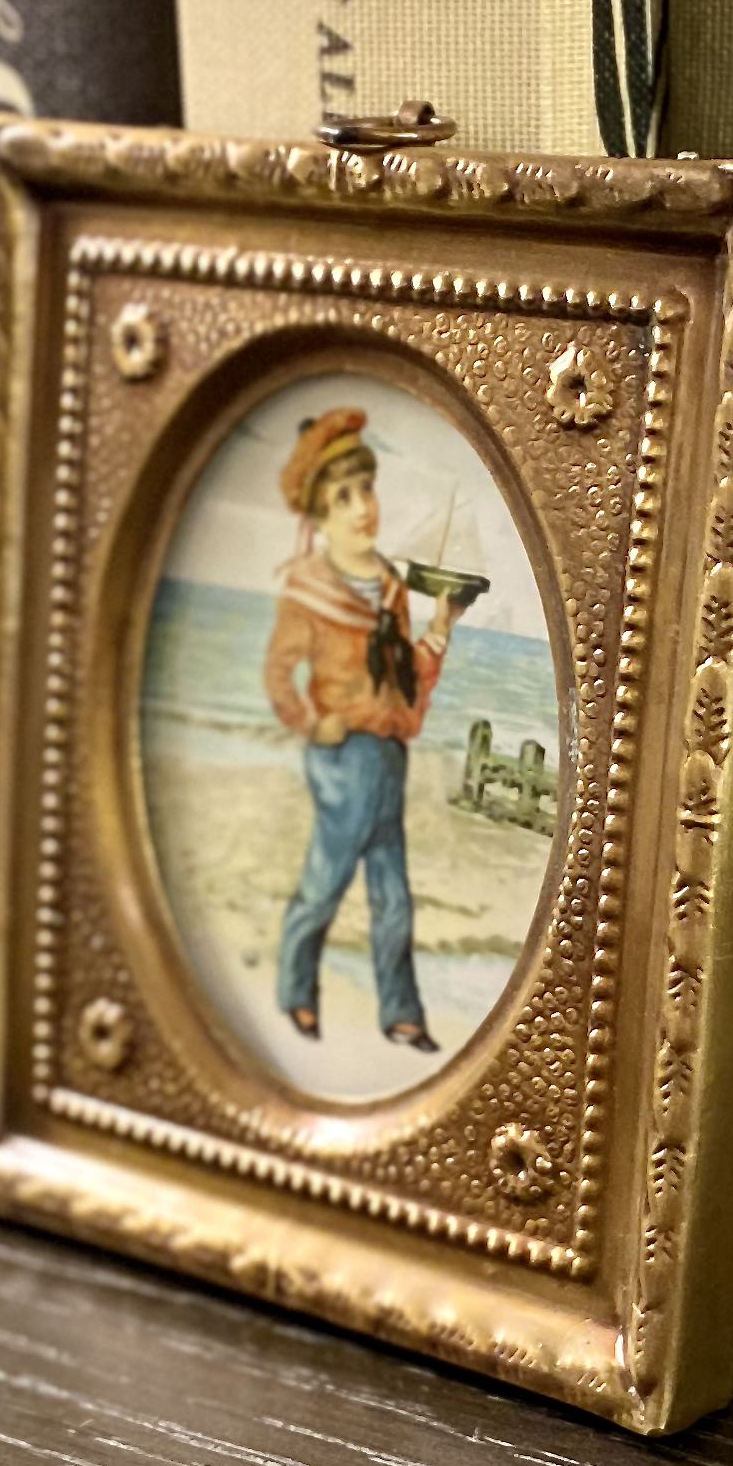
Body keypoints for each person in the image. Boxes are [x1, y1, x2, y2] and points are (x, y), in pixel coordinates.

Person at [262, 408, 462, 1051]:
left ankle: (401, 1012)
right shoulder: (308, 588)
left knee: (393, 895)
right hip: (344, 757)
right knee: (324, 885)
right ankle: (296, 992)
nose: (362, 508)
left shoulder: (392, 587)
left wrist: (441, 628)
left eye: (366, 489)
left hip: (388, 756)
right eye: (343, 498)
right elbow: (278, 672)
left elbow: (402, 677)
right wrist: (308, 722)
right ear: (319, 517)